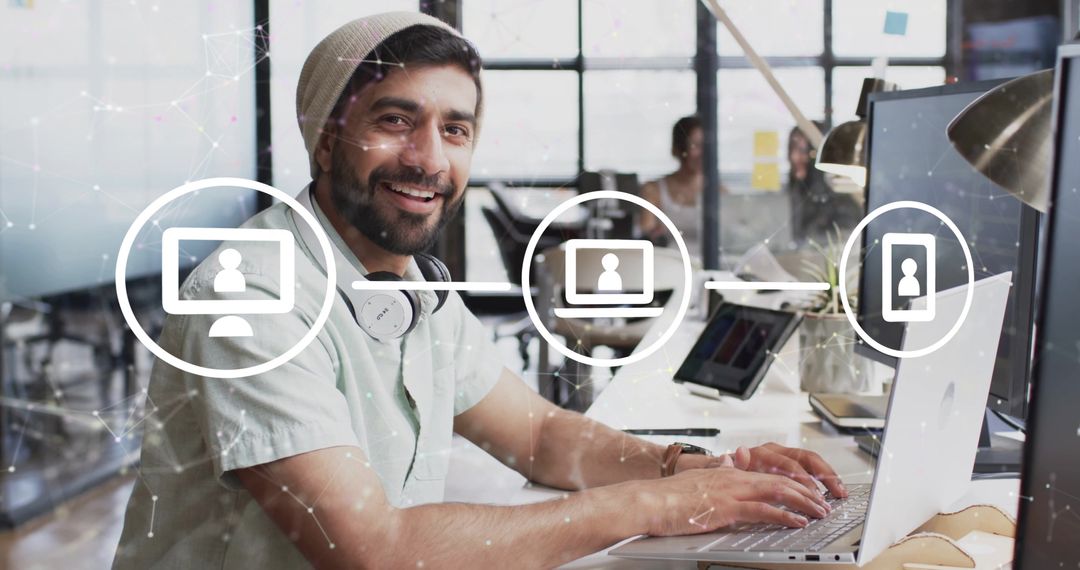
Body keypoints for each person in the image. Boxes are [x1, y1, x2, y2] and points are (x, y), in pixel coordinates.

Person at [113, 12, 846, 569]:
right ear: (326, 139)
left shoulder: (410, 285)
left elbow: (540, 436)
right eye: (396, 120)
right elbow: (377, 548)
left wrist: (693, 469)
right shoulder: (251, 298)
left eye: (455, 129)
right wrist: (658, 504)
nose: (430, 159)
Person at [640, 115, 705, 259]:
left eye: (706, 146)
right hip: (668, 267)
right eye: (695, 145)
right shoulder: (652, 190)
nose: (702, 154)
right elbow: (647, 235)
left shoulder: (720, 192)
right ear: (678, 149)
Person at [786, 125, 861, 245]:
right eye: (792, 149)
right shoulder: (798, 186)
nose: (795, 157)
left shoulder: (839, 191)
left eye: (803, 150)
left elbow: (844, 235)